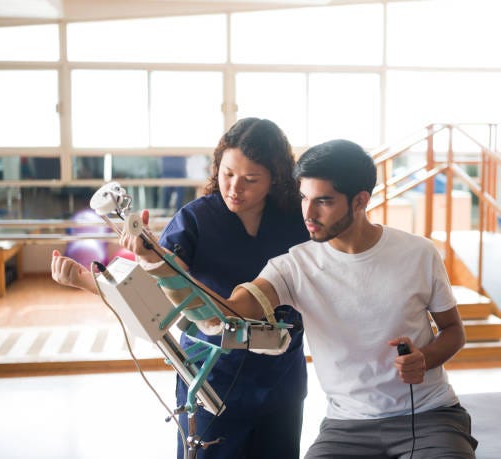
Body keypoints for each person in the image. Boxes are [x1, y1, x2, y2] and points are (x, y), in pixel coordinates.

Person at [134, 139, 478, 458]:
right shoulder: (293, 265)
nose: (308, 213)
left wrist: (426, 358)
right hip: (346, 426)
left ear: (360, 200)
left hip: (430, 415)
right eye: (303, 198)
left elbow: (453, 332)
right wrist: (158, 265)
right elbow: (223, 316)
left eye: (323, 201)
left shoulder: (418, 253)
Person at [51, 118, 309, 459]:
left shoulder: (296, 221)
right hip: (211, 375)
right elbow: (155, 296)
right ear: (217, 165)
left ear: (275, 178)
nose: (234, 188)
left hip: (281, 379)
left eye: (250, 180)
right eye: (227, 173)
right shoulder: (195, 219)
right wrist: (89, 279)